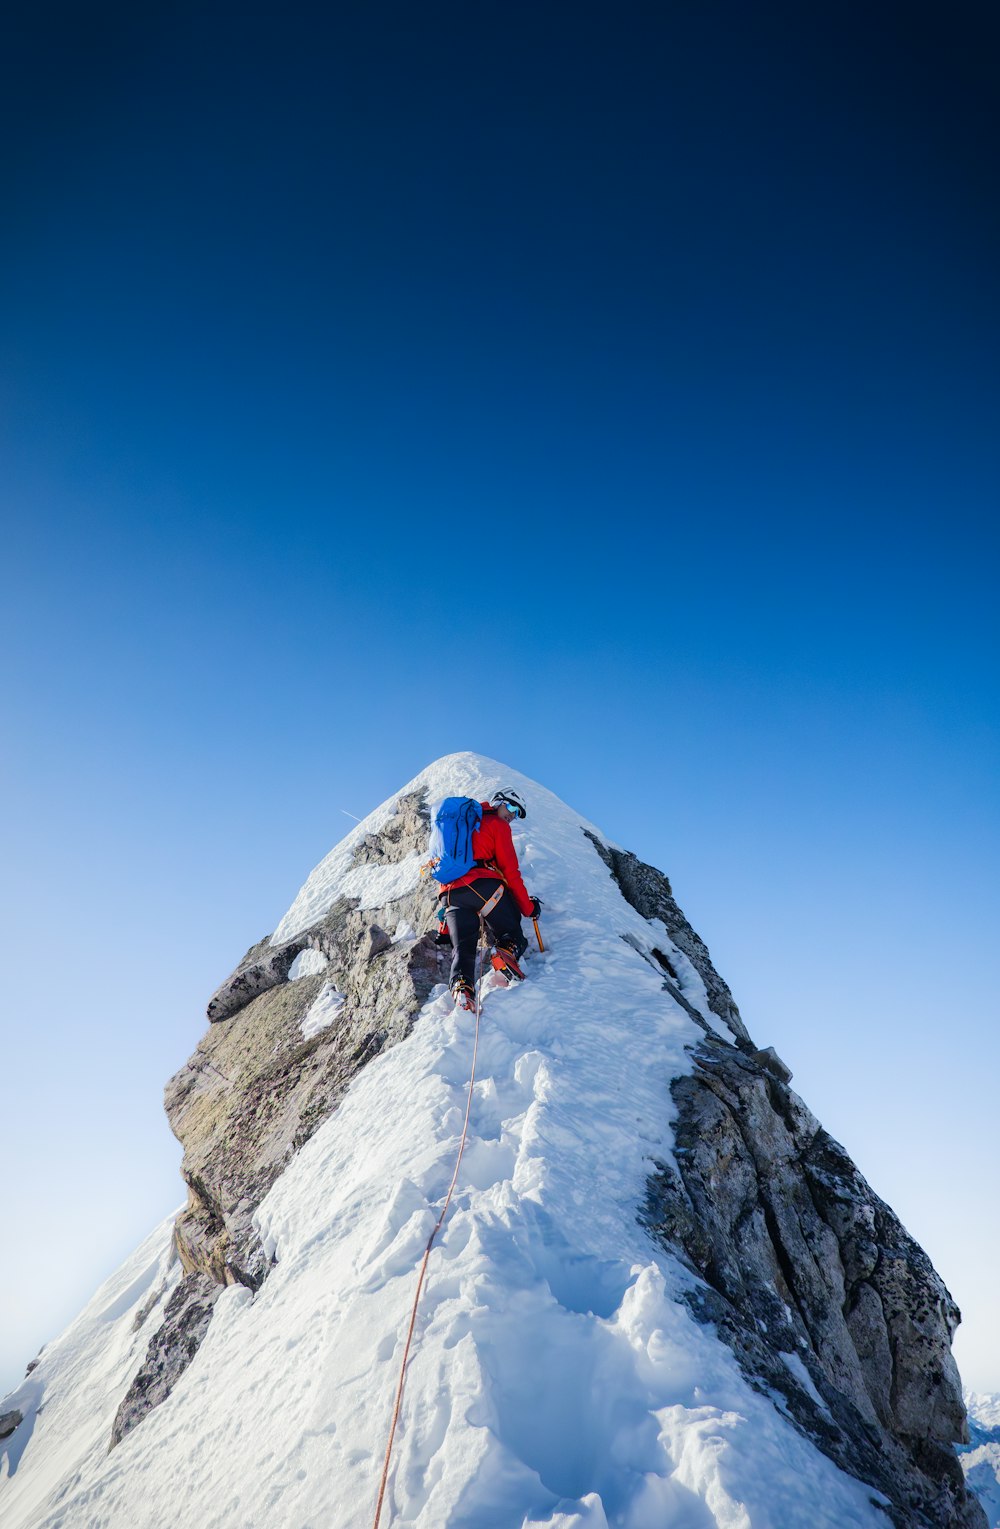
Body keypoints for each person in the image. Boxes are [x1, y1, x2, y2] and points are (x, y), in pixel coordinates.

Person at [439, 789, 541, 1009]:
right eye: (511, 807)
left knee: (463, 949)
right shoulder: (497, 824)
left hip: (450, 894)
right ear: (498, 803)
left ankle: (462, 992)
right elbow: (511, 872)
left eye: (517, 813)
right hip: (482, 886)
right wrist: (528, 908)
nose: (513, 815)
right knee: (512, 932)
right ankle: (505, 953)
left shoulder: (462, 824)